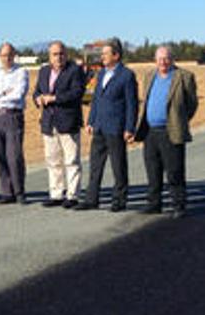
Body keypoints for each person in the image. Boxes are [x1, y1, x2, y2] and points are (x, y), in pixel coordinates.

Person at [134, 46, 198, 219]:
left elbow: (192, 105)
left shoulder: (184, 77)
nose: (163, 62)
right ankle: (154, 203)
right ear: (155, 60)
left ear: (172, 59)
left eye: (166, 58)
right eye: (159, 58)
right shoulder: (149, 76)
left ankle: (179, 204)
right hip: (150, 132)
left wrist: (179, 120)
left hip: (171, 131)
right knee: (152, 169)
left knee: (174, 170)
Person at [77, 39, 138, 212]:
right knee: (95, 165)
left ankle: (119, 200)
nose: (102, 56)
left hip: (116, 127)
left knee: (118, 166)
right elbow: (96, 99)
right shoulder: (102, 73)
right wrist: (90, 121)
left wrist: (129, 128)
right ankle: (91, 199)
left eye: (105, 53)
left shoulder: (127, 75)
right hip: (100, 127)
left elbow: (132, 104)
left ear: (116, 55)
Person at [33, 41, 86, 208]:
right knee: (53, 160)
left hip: (68, 122)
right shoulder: (44, 71)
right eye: (55, 54)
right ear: (49, 56)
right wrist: (38, 98)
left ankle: (72, 195)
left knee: (71, 160)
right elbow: (37, 91)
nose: (58, 57)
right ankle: (56, 194)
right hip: (49, 122)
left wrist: (54, 98)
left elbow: (77, 92)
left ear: (66, 54)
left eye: (61, 53)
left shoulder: (74, 71)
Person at [0, 43, 29, 204]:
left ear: (14, 55)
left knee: (14, 156)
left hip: (13, 116)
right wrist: (2, 92)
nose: (6, 58)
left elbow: (18, 94)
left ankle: (19, 191)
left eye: (9, 55)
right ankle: (6, 192)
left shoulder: (21, 72)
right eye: (3, 55)